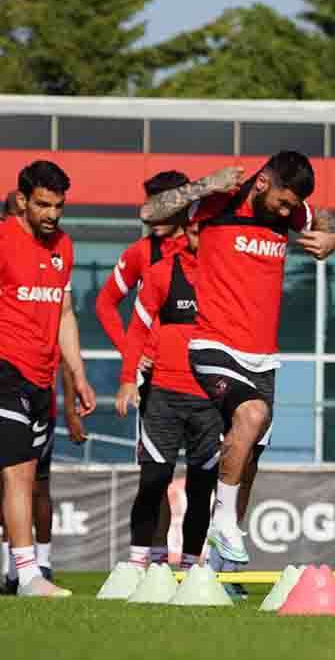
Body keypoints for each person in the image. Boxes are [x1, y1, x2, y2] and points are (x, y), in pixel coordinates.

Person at [137, 151, 335, 578]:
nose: (288, 212)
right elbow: (150, 210)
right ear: (263, 182)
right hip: (214, 347)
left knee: (246, 463)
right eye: (284, 203)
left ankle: (221, 568)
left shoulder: (290, 212)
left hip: (262, 359)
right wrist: (205, 184)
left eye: (292, 207)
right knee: (252, 414)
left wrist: (330, 237)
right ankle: (223, 526)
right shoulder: (219, 203)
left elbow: (323, 217)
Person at [0, 161, 96, 597]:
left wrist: (77, 375)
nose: (52, 215)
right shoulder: (2, 240)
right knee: (18, 473)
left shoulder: (65, 246)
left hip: (42, 378)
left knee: (33, 478)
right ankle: (27, 575)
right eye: (43, 204)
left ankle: (25, 571)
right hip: (5, 369)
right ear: (22, 200)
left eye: (58, 205)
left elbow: (64, 314)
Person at [96, 171, 192, 566]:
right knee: (156, 475)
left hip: (208, 378)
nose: (153, 212)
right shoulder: (140, 252)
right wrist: (132, 359)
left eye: (162, 203)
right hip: (158, 380)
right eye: (149, 203)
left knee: (213, 475)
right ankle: (151, 560)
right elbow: (104, 305)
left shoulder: (207, 248)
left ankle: (207, 564)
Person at [114, 217, 220, 574]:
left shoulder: (228, 278)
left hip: (210, 401)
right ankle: (138, 564)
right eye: (192, 231)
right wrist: (129, 379)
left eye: (205, 232)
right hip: (163, 396)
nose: (198, 238)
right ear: (184, 232)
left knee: (201, 489)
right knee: (153, 481)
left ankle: (191, 567)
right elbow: (137, 328)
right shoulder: (160, 273)